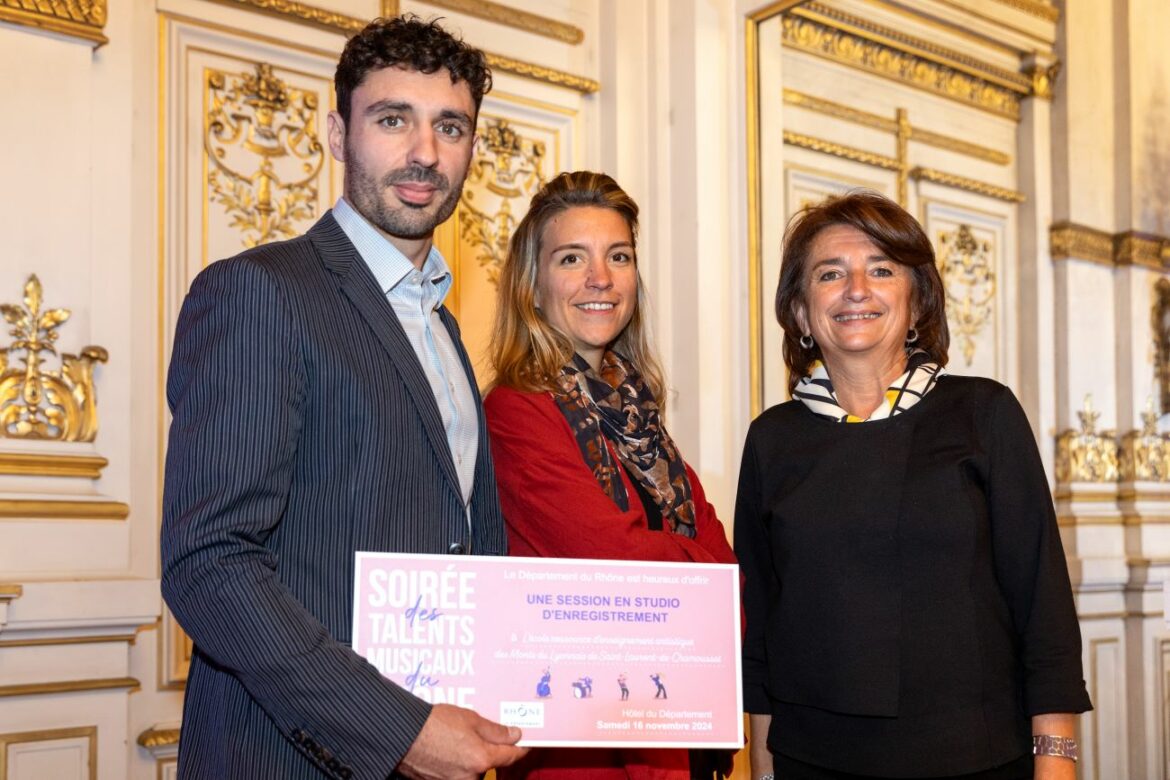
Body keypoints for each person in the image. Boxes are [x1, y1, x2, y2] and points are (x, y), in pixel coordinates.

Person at [160, 16, 528, 780]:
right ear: (338, 133)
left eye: (450, 127)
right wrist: (398, 731)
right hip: (290, 757)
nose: (424, 152)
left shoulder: (446, 329)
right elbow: (209, 561)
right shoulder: (259, 293)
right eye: (393, 120)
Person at [735, 191, 1091, 780]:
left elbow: (1043, 603)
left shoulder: (984, 413)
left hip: (975, 758)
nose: (857, 289)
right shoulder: (772, 439)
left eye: (881, 269)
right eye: (830, 274)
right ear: (800, 312)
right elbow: (761, 624)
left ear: (916, 299)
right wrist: (763, 767)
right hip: (813, 760)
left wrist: (1057, 762)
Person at [484, 170, 737, 780]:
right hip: (586, 755)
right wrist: (705, 578)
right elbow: (611, 565)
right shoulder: (517, 409)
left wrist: (707, 578)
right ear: (533, 287)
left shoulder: (639, 415)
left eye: (617, 256)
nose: (600, 278)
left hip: (679, 733)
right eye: (573, 257)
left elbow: (727, 582)